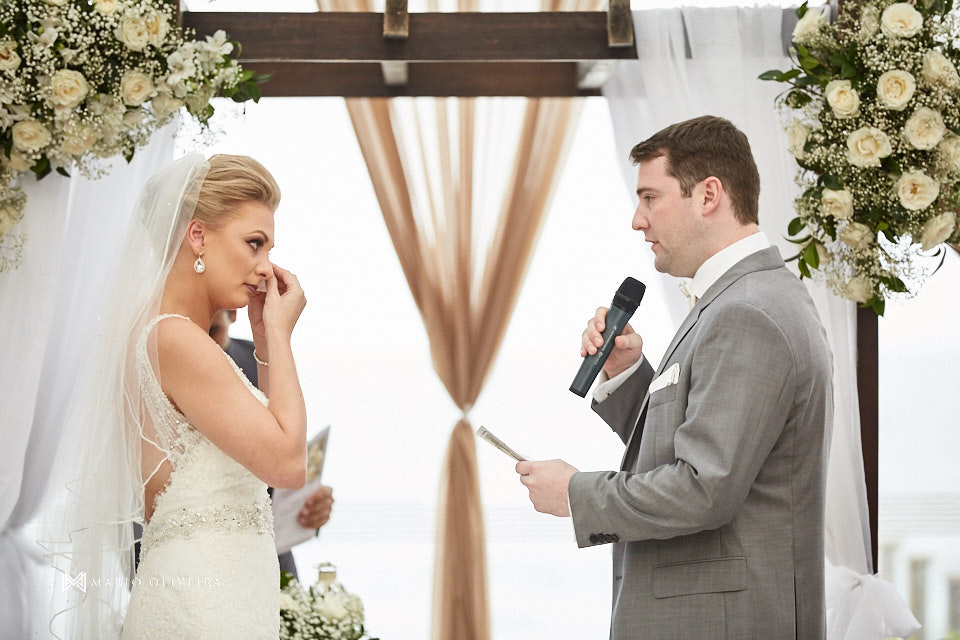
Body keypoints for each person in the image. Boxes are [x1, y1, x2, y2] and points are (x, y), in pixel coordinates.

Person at [515, 116, 833, 639]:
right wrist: (628, 376)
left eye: (649, 198)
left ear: (708, 195)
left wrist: (577, 494)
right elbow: (702, 443)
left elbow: (704, 488)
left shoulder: (747, 310)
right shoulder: (743, 297)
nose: (637, 221)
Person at [39, 153, 307, 639]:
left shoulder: (161, 333)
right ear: (198, 235)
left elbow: (270, 440)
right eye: (254, 244)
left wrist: (265, 344)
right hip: (207, 605)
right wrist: (282, 336)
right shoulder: (176, 339)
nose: (266, 268)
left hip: (214, 589)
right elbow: (287, 463)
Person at [209, 309, 334, 579]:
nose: (204, 345)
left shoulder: (257, 358)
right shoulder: (160, 366)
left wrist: (309, 506)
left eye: (212, 332)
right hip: (197, 567)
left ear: (232, 315)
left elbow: (285, 462)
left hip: (274, 560)